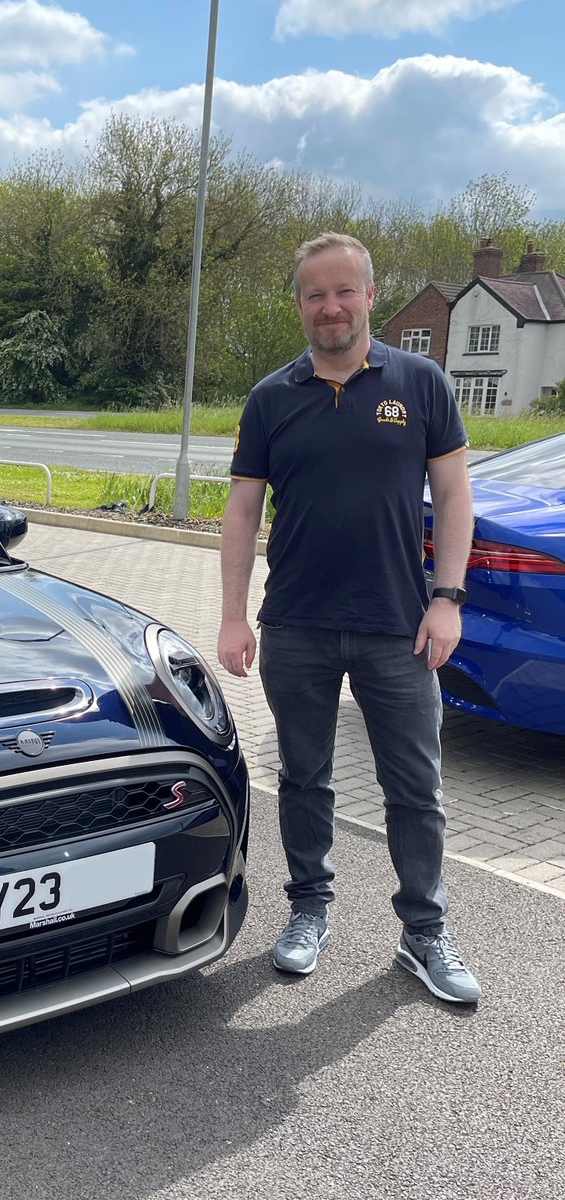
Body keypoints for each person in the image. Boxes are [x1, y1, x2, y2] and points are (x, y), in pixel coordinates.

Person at [217, 232, 482, 1004]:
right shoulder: (270, 397)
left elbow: (456, 497)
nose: (328, 307)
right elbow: (240, 513)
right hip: (295, 623)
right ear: (298, 303)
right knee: (302, 777)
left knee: (415, 787)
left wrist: (447, 598)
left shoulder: (422, 383)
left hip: (397, 625)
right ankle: (307, 909)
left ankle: (423, 930)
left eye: (343, 292)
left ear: (370, 296)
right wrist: (233, 617)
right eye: (313, 294)